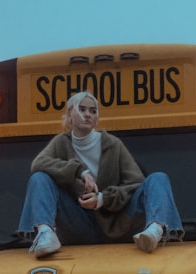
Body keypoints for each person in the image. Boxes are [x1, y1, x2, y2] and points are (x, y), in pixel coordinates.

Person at [17, 91, 183, 258]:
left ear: (97, 118)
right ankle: (46, 233)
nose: (87, 115)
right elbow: (37, 164)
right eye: (81, 109)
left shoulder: (113, 144)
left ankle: (154, 230)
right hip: (78, 222)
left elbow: (136, 183)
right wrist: (79, 171)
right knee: (39, 178)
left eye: (93, 111)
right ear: (70, 114)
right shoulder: (60, 142)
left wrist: (102, 199)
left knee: (158, 178)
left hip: (117, 221)